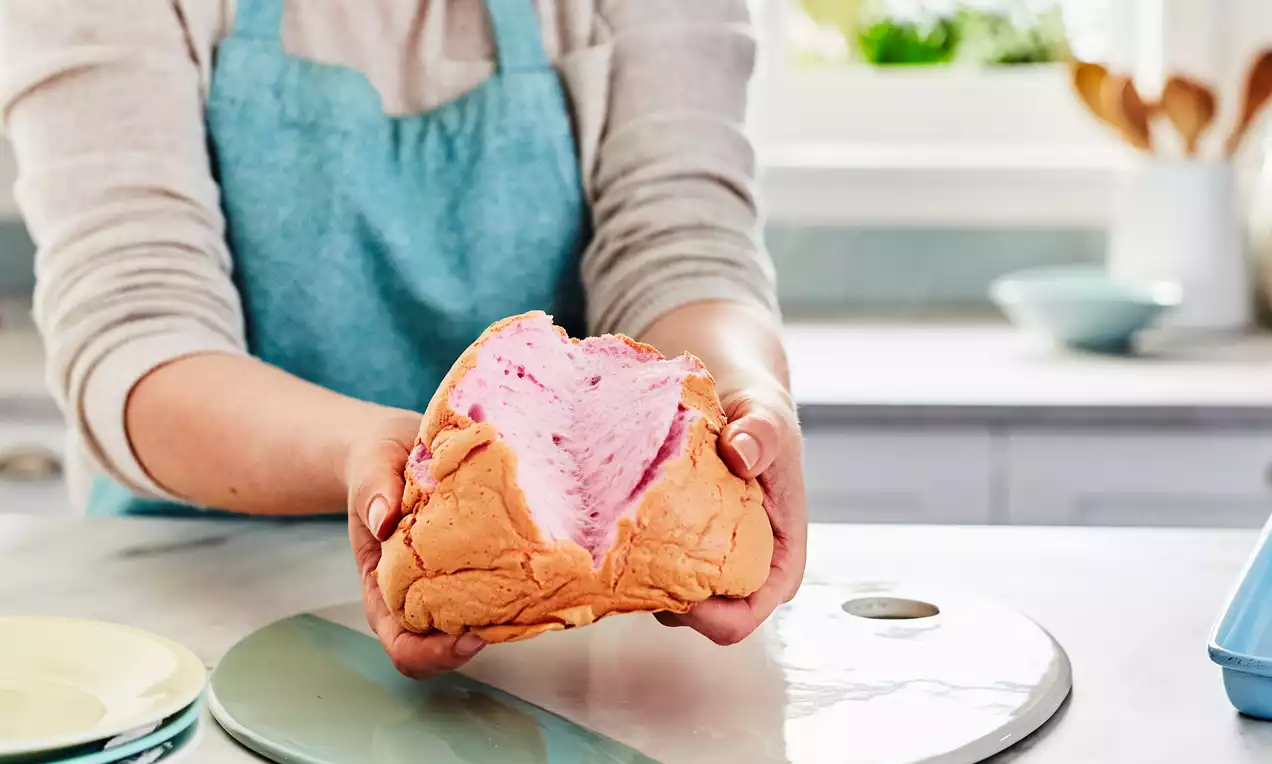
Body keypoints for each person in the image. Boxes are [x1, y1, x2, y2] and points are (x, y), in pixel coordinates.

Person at [1, 0, 807, 678]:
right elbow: (137, 326)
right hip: (190, 604)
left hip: (574, 634)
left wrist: (743, 396)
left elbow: (681, 243)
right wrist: (382, 457)